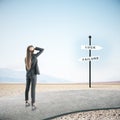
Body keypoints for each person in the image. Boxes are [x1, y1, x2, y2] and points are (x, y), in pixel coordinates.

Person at [25, 45, 44, 110]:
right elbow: (42, 49)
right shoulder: (34, 56)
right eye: (32, 48)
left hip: (28, 74)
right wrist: (36, 48)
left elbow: (26, 69)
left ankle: (26, 102)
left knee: (27, 88)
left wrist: (29, 73)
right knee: (33, 89)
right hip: (33, 75)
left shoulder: (26, 58)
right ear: (32, 50)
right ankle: (33, 105)